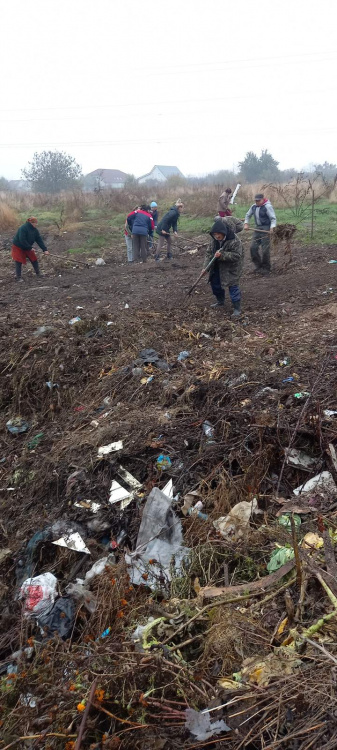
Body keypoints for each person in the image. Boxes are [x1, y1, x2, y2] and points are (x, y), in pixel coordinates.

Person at [204, 219, 243, 318]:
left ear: (223, 232)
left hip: (232, 267)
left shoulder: (234, 240)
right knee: (215, 283)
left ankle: (237, 308)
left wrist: (222, 255)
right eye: (215, 234)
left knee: (233, 286)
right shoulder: (213, 240)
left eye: (218, 234)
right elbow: (209, 253)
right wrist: (205, 267)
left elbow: (237, 255)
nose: (217, 236)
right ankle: (220, 301)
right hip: (217, 265)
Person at [244, 193, 276, 274]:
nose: (257, 202)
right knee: (253, 248)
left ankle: (266, 268)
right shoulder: (253, 206)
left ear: (263, 199)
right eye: (256, 201)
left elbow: (273, 218)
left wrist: (272, 227)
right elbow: (248, 215)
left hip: (266, 228)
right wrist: (246, 223)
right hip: (257, 228)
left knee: (265, 249)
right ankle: (258, 266)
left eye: (258, 200)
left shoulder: (267, 207)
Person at [12, 217, 49, 282]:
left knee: (34, 259)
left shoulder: (35, 230)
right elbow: (22, 240)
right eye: (35, 223)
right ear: (31, 223)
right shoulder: (23, 228)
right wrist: (30, 248)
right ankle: (18, 277)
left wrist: (44, 249)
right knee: (18, 261)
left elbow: (39, 240)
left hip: (27, 246)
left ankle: (38, 274)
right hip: (18, 246)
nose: (36, 224)